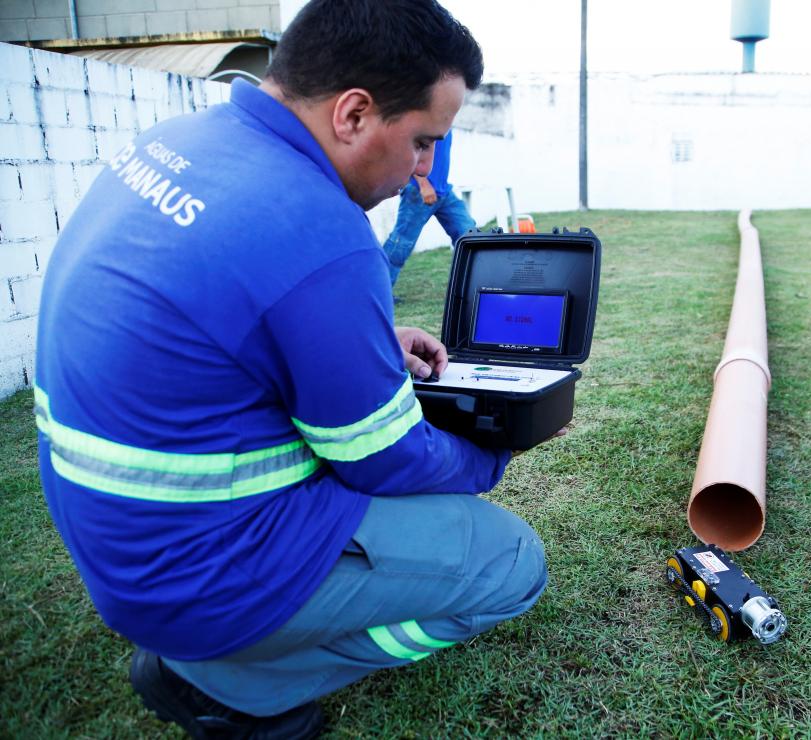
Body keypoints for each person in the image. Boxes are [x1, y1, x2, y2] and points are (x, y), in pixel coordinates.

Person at [33, 1, 549, 738]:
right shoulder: (319, 231)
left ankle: (214, 653)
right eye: (424, 142)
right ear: (354, 114)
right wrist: (494, 452)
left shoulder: (177, 141)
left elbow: (229, 317)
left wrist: (358, 339)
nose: (422, 171)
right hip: (198, 574)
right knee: (512, 563)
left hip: (118, 545)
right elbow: (388, 462)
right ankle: (237, 685)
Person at [382, 128, 476, 285]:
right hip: (419, 191)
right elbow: (407, 150)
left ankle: (472, 285)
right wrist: (423, 184)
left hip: (444, 192)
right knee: (402, 243)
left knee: (469, 235)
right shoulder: (424, 117)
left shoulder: (445, 121)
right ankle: (379, 288)